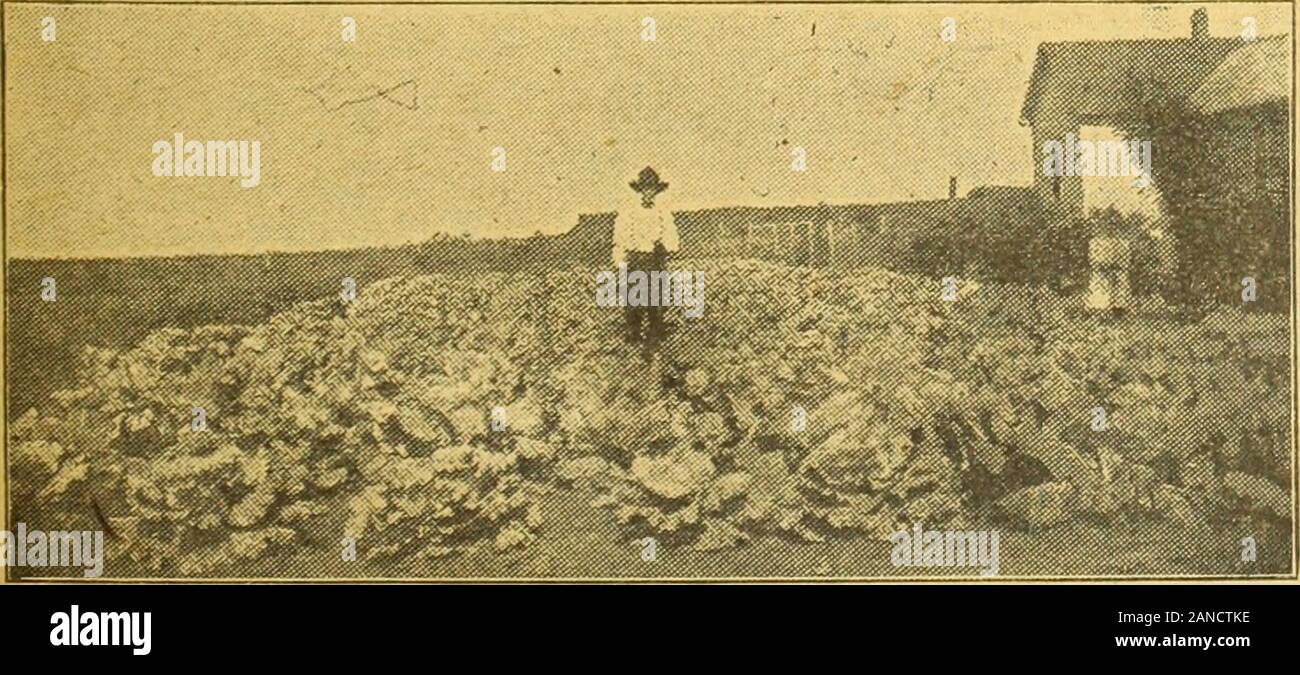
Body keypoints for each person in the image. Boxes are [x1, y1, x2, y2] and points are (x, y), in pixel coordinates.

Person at [612, 166, 680, 346]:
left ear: (656, 192)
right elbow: (620, 237)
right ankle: (633, 334)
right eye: (645, 189)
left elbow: (672, 237)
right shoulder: (629, 213)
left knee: (655, 298)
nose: (648, 193)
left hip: (654, 259)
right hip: (635, 258)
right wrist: (621, 260)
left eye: (652, 189)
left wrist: (664, 245)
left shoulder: (662, 213)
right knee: (634, 298)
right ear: (640, 190)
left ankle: (654, 333)